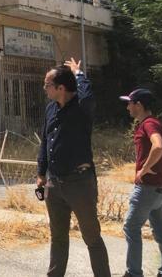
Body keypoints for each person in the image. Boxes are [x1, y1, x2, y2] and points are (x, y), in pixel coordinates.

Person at [37, 58, 110, 277]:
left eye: (47, 84)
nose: (44, 88)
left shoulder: (81, 107)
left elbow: (87, 95)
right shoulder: (51, 109)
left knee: (92, 237)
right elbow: (45, 141)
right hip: (54, 183)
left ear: (61, 88)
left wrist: (78, 73)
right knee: (58, 237)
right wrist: (41, 173)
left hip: (79, 183)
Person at [120, 88, 162, 277]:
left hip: (147, 190)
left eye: (130, 103)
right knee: (161, 233)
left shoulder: (149, 124)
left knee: (131, 227)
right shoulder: (154, 123)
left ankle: (133, 273)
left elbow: (158, 146)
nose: (127, 107)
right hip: (160, 189)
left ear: (139, 105)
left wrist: (143, 169)